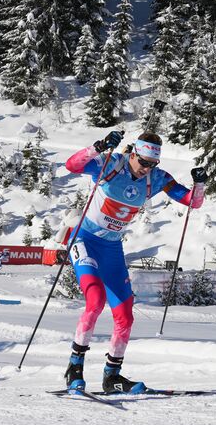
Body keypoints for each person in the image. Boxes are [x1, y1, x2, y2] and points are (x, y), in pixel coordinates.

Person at [53, 131, 206, 394]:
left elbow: (193, 202)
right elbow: (71, 165)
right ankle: (74, 368)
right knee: (96, 299)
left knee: (125, 315)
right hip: (85, 239)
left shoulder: (156, 179)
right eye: (143, 162)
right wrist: (97, 147)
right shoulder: (111, 164)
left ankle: (112, 375)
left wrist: (200, 184)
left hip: (112, 248)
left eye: (152, 164)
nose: (147, 168)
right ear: (133, 153)